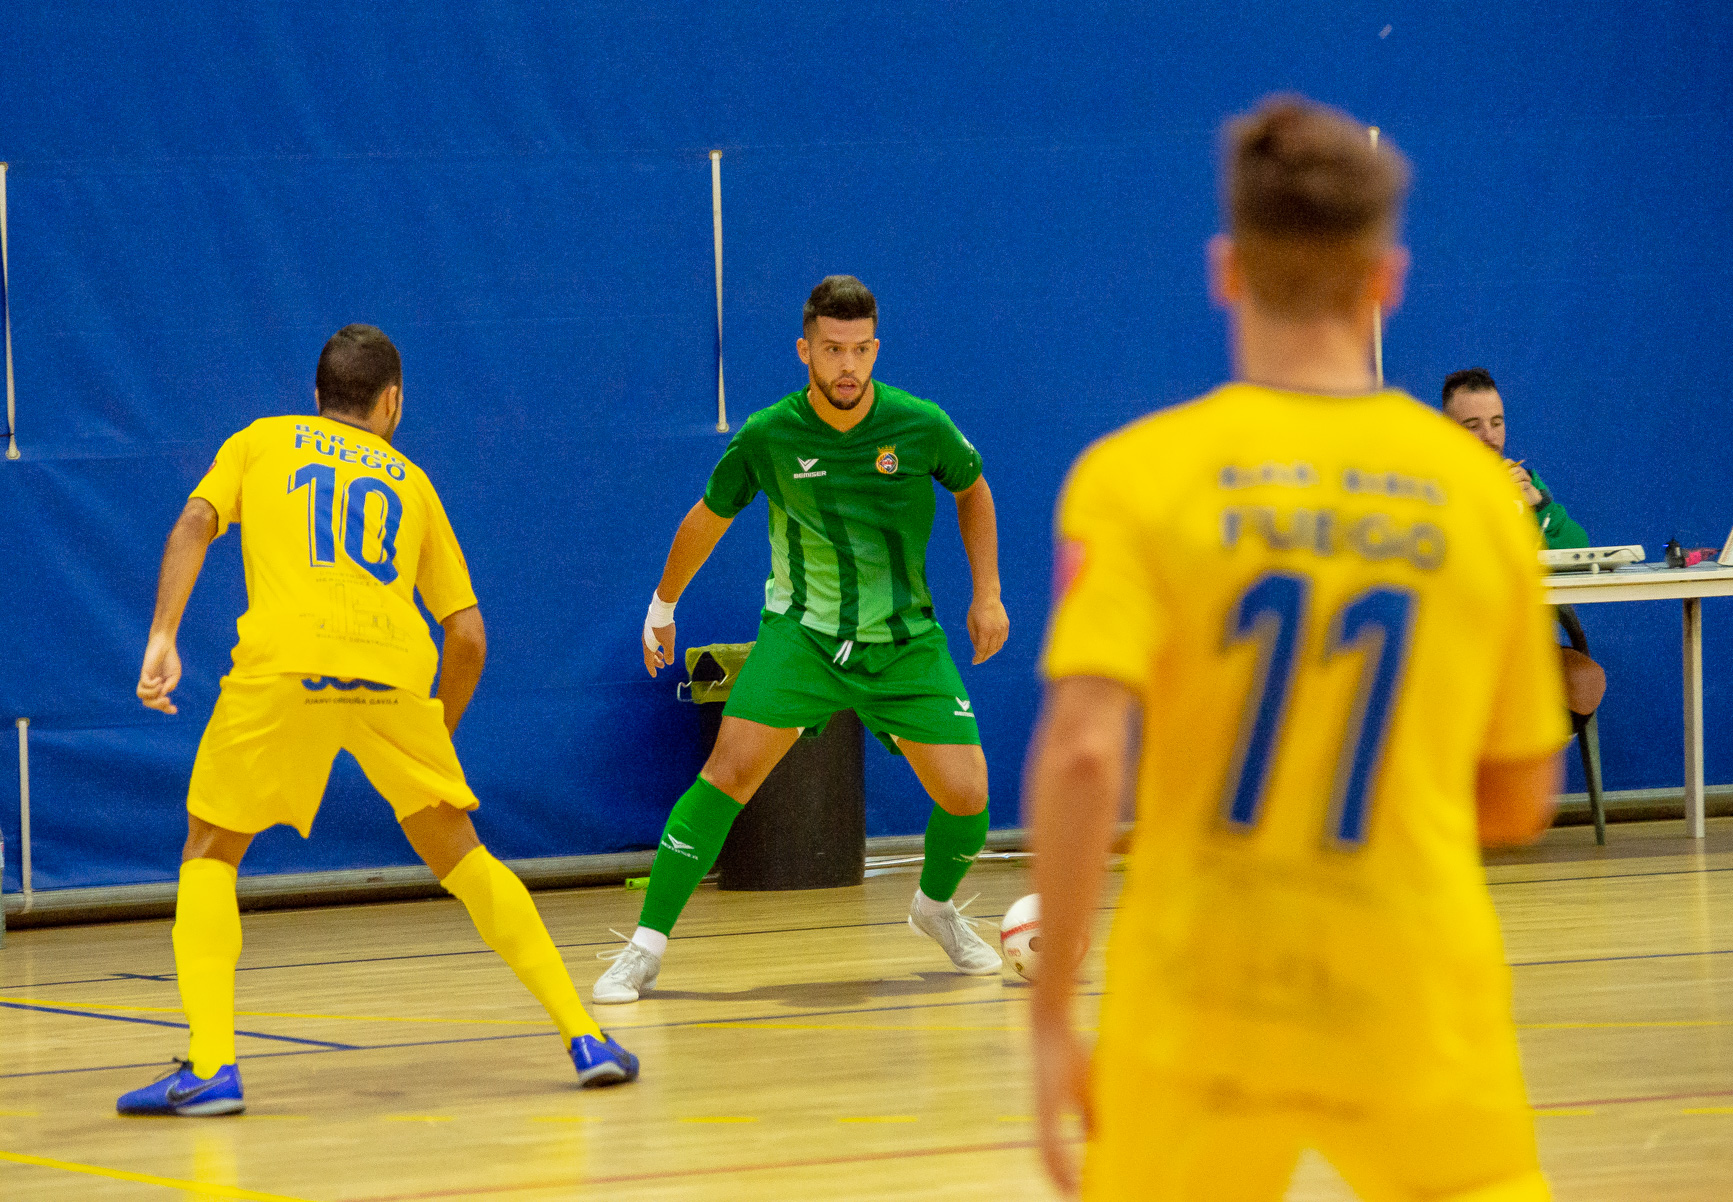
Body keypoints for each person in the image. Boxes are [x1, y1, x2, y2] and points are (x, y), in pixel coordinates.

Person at [1026, 97, 1568, 1199]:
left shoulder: (1134, 476)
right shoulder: (1479, 495)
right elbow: (1519, 799)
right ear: (1387, 279)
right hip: (1413, 988)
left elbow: (1084, 750)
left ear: (1226, 268)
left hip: (1199, 995)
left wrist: (1047, 1019)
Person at [118, 325, 637, 1116]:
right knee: (461, 853)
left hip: (285, 666)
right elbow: (466, 634)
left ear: (316, 394)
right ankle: (585, 1037)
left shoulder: (262, 441)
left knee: (212, 849)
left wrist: (163, 635)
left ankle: (212, 1068)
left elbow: (193, 524)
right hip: (392, 671)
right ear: (391, 402)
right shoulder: (412, 482)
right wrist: (437, 734)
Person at [594, 275, 1009, 1003]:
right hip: (804, 639)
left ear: (876, 348)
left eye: (859, 350)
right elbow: (707, 516)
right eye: (830, 350)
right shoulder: (769, 434)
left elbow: (972, 488)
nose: (846, 366)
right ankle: (644, 948)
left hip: (905, 642)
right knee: (727, 775)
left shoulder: (920, 425)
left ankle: (934, 909)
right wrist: (662, 604)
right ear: (804, 351)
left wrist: (988, 593)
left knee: (969, 794)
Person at [1442, 367, 1588, 548]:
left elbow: (1578, 545)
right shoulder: (1427, 487)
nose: (1489, 436)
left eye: (1496, 423)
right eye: (1473, 426)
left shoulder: (1521, 480)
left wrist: (1539, 506)